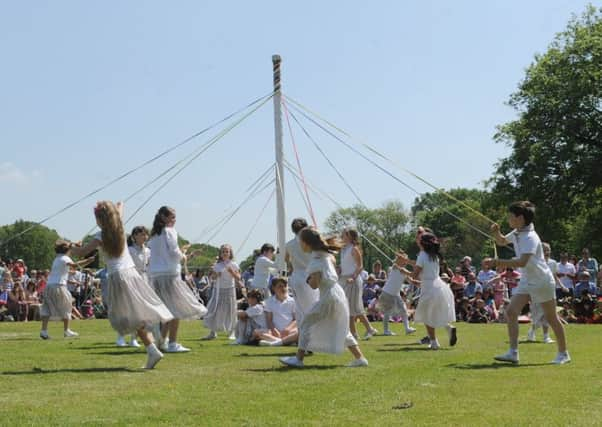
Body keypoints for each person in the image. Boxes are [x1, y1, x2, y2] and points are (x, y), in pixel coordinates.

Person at [72, 201, 175, 368]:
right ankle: (152, 348)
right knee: (134, 314)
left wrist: (70, 248)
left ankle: (152, 340)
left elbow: (81, 253)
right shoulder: (119, 227)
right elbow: (119, 210)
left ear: (100, 219)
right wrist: (119, 204)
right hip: (132, 273)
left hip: (117, 277)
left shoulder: (100, 236)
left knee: (126, 317)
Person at [491, 201, 570, 365]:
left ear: (520, 218)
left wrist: (497, 261)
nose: (508, 219)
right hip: (527, 280)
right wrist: (496, 233)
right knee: (511, 312)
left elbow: (522, 262)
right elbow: (503, 241)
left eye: (511, 216)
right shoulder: (518, 232)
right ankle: (513, 352)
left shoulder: (530, 237)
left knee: (551, 317)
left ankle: (563, 354)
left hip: (542, 281)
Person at [279, 227, 368, 368]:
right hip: (337, 293)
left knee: (306, 323)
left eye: (301, 242)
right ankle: (360, 358)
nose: (300, 245)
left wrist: (309, 280)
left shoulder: (316, 260)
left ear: (307, 244)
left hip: (328, 295)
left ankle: (298, 359)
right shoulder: (324, 255)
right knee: (342, 328)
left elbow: (314, 285)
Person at [148, 206, 207, 353]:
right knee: (176, 309)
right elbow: (174, 253)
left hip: (156, 276)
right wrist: (184, 255)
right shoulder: (170, 231)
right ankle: (173, 343)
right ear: (164, 217)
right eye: (172, 217)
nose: (174, 220)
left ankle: (162, 341)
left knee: (168, 310)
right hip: (170, 275)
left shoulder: (154, 235)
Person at [409, 228, 457, 350]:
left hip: (429, 287)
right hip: (439, 285)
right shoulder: (434, 256)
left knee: (427, 315)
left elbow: (416, 273)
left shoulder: (422, 255)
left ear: (424, 243)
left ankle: (434, 342)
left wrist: (408, 276)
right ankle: (448, 328)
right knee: (434, 312)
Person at [40, 240, 94, 339]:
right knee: (67, 306)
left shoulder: (57, 258)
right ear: (67, 250)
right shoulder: (65, 258)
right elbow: (74, 266)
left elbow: (71, 268)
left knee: (47, 308)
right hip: (59, 286)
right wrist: (88, 261)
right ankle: (66, 331)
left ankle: (44, 331)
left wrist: (74, 244)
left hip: (49, 286)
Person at [339, 228, 378, 340]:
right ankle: (367, 330)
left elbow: (360, 266)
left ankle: (356, 333)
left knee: (352, 308)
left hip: (353, 280)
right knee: (352, 307)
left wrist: (353, 277)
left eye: (344, 234)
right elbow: (345, 266)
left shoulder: (354, 249)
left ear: (350, 236)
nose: (342, 236)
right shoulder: (344, 249)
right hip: (345, 279)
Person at [284, 218, 319, 326]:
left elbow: (286, 259)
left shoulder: (289, 244)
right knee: (313, 305)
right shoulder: (310, 243)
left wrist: (291, 266)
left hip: (296, 276)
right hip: (309, 276)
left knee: (300, 309)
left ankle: (303, 334)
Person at [202, 244, 239, 340]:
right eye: (223, 251)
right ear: (220, 253)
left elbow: (238, 278)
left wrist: (232, 272)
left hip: (229, 289)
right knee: (214, 309)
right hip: (218, 290)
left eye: (227, 251)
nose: (225, 253)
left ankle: (232, 332)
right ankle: (212, 332)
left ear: (230, 253)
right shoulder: (217, 265)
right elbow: (212, 278)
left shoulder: (234, 264)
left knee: (231, 311)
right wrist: (216, 275)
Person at [378, 251, 416, 336]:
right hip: (388, 292)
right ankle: (386, 331)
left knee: (404, 310)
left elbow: (412, 280)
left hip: (396, 294)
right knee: (387, 313)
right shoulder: (395, 267)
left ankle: (407, 329)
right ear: (399, 259)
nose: (405, 261)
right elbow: (409, 272)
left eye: (406, 259)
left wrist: (421, 283)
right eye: (404, 259)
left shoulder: (404, 270)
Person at [257, 277, 298, 346]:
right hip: (275, 331)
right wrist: (274, 330)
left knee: (300, 333)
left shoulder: (293, 301)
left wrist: (287, 329)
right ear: (274, 288)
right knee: (257, 332)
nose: (283, 288)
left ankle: (275, 341)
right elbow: (269, 320)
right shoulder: (269, 301)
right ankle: (285, 341)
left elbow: (296, 319)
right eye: (280, 286)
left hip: (290, 330)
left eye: (285, 286)